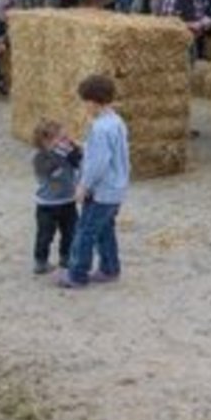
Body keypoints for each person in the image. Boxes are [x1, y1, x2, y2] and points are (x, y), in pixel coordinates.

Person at [59, 74, 131, 287]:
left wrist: (83, 185)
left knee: (85, 231)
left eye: (85, 102)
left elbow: (98, 163)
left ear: (92, 101)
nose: (84, 106)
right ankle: (110, 268)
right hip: (116, 189)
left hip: (101, 190)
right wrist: (82, 146)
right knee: (104, 229)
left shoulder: (99, 128)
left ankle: (77, 274)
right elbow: (106, 153)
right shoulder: (115, 121)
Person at [31, 119, 81, 275]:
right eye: (61, 138)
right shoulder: (39, 157)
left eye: (66, 137)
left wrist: (74, 151)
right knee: (45, 235)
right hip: (47, 204)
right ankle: (41, 261)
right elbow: (54, 174)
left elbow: (80, 163)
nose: (65, 141)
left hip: (68, 201)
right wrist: (63, 154)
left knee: (71, 232)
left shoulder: (66, 152)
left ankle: (66, 258)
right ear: (46, 141)